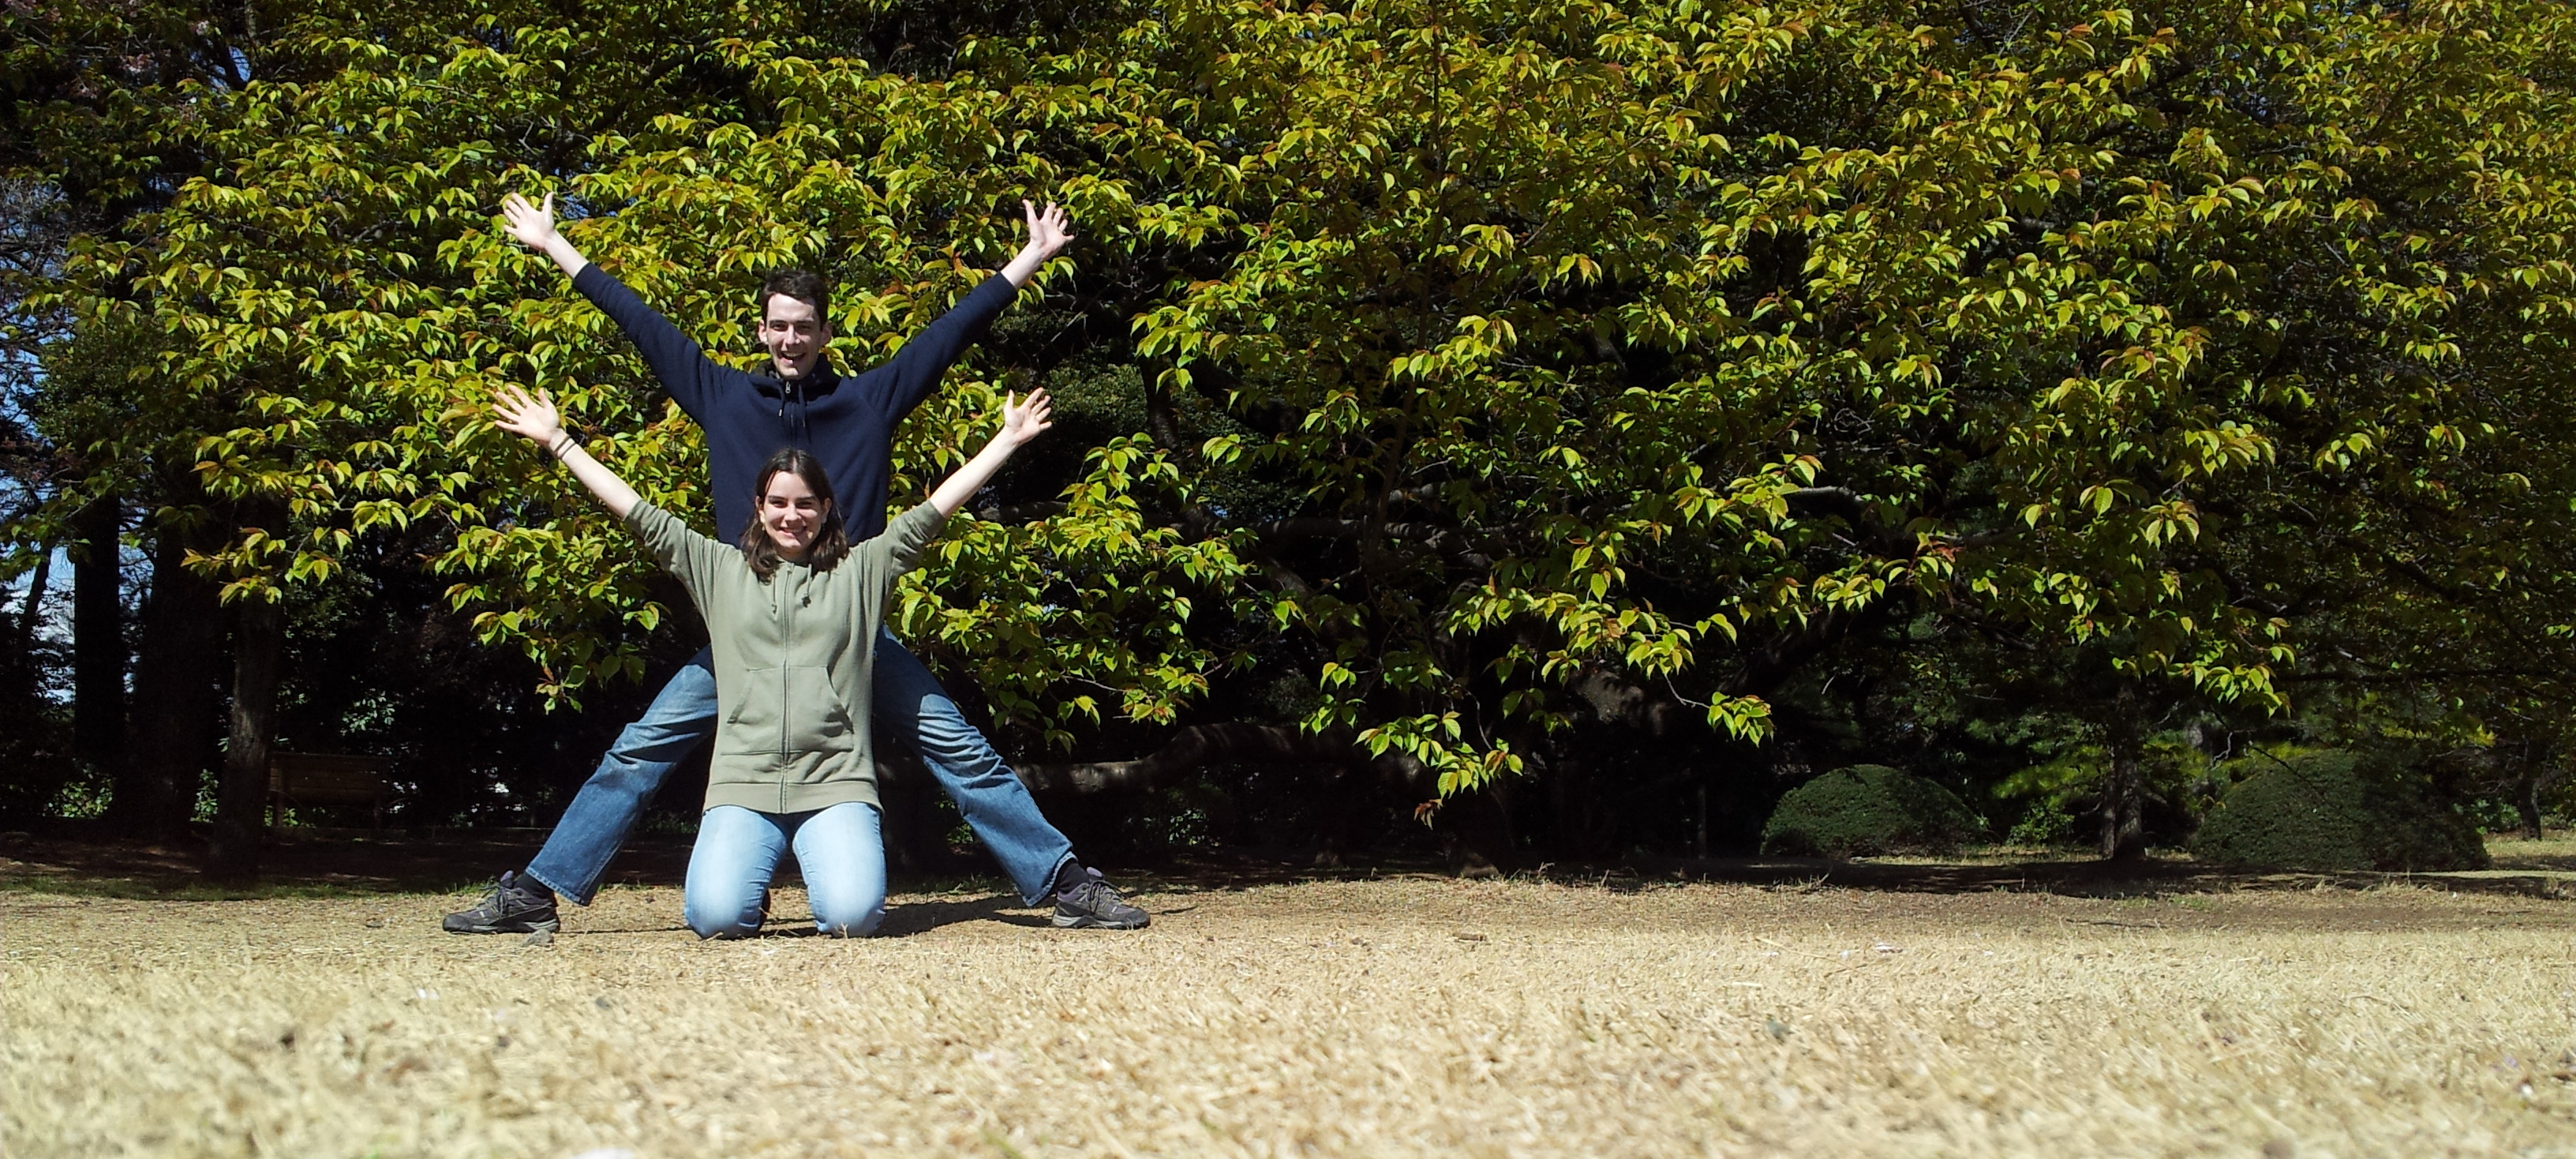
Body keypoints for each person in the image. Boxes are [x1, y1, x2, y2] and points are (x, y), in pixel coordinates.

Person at [443, 193, 1146, 934]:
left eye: (803, 327)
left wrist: (1028, 259)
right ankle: (534, 894)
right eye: (777, 326)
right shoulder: (721, 395)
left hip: (849, 636)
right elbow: (642, 325)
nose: (789, 340)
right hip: (743, 635)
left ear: (824, 333)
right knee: (636, 752)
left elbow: (947, 335)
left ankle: (1066, 880)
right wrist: (556, 247)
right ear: (762, 329)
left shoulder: (868, 401)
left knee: (961, 749)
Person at [488, 383, 1050, 936]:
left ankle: (1052, 873)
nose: (792, 516)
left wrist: (1006, 441)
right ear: (759, 508)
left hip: (834, 784)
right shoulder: (718, 569)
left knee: (853, 918)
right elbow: (637, 512)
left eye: (806, 503)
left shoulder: (860, 571)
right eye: (778, 502)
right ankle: (738, 884)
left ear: (826, 508)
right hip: (744, 785)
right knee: (715, 918)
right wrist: (559, 441)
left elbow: (933, 512)